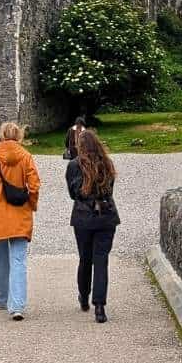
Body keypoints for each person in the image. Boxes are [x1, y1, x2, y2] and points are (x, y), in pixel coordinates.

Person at [0, 122, 41, 322]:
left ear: (2, 136)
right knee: (19, 260)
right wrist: (31, 204)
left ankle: (2, 298)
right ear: (19, 137)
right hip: (20, 213)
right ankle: (17, 305)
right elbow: (34, 185)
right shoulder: (26, 157)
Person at [67, 130, 120, 323]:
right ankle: (100, 307)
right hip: (106, 216)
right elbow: (110, 189)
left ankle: (83, 296)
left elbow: (73, 193)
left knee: (85, 259)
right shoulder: (106, 164)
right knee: (101, 260)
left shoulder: (74, 166)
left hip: (83, 217)